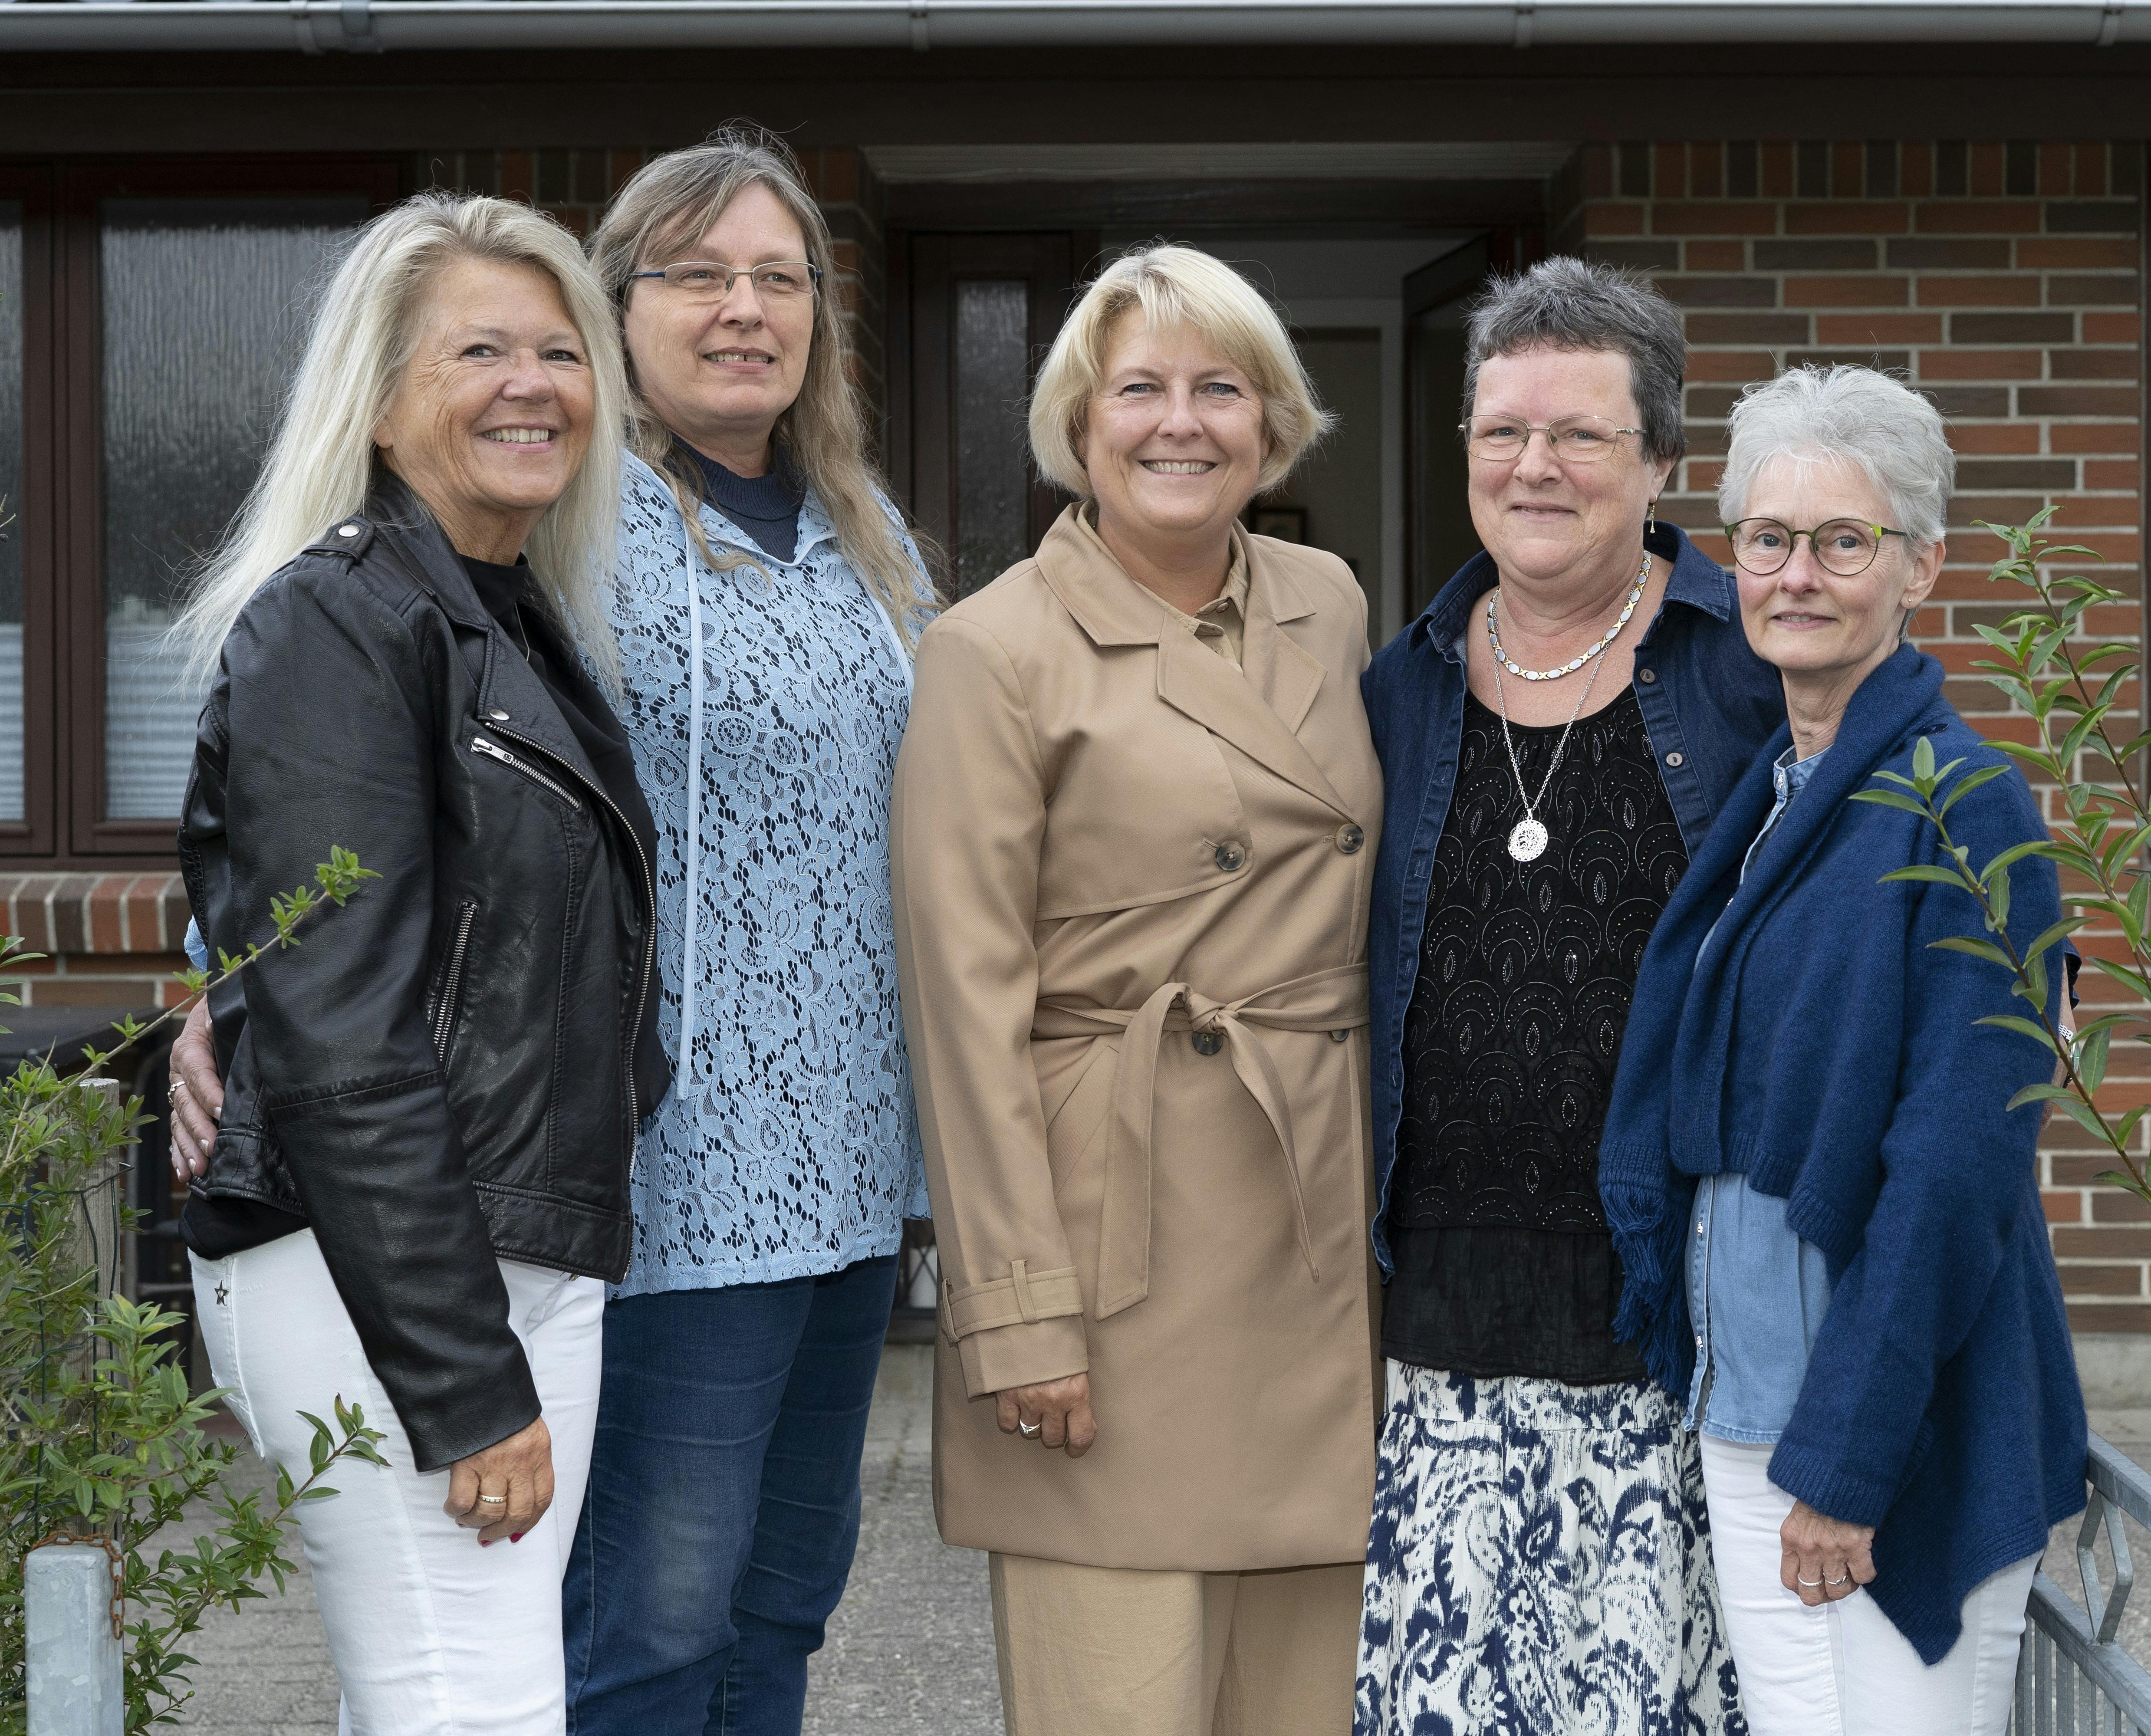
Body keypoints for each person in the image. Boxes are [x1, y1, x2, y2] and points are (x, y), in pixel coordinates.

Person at [170, 128, 937, 1734]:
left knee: (785, 1602)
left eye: (781, 277)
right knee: (645, 1626)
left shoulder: (878, 549)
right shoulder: (567, 528)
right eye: (699, 274)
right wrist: (221, 993)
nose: (747, 309)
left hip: (859, 1173)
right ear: (623, 313)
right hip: (652, 1181)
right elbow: (339, 799)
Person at [174, 192, 662, 1734]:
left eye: (559, 349)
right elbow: (344, 1042)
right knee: (474, 1706)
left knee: (443, 1699)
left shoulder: (499, 618)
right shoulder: (340, 623)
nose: (535, 382)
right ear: (381, 406)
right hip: (379, 1271)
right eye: (480, 351)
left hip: (496, 1250)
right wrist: (465, 1382)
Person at [889, 243, 1377, 1736]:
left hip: (1310, 1230)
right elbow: (960, 1007)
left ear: (1273, 423)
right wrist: (1015, 1314)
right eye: (1140, 390)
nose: (1181, 423)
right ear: (1079, 430)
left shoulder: (1331, 600)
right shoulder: (992, 650)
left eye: (1220, 388)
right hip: (1113, 1253)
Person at [1601, 364, 2088, 1736]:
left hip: (1876, 1443)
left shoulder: (1964, 807)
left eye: (1842, 541)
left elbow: (1951, 1168)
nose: (1795, 573)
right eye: (1767, 537)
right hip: (1754, 1418)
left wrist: (1851, 1465)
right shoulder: (1783, 791)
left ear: (1920, 566)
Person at [1353, 256, 1775, 1736]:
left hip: (1672, 1326)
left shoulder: (1752, 669)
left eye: (1580, 435)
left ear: (1660, 460)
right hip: (1441, 1337)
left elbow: (1924, 879)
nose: (1534, 467)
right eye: (1499, 432)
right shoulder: (1395, 688)